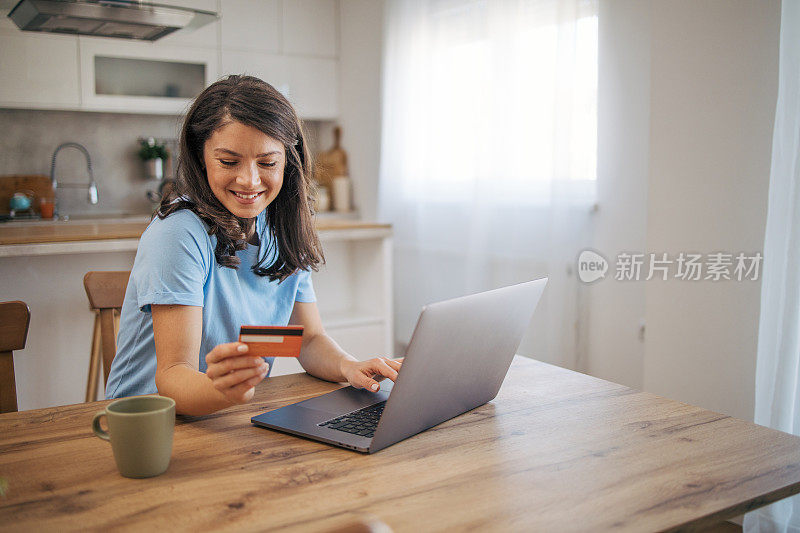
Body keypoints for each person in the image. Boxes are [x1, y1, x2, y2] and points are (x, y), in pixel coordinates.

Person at [105, 75, 400, 415]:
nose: (249, 180)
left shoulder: (281, 228)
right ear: (201, 157)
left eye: (267, 163)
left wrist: (350, 367)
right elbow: (172, 376)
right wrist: (225, 392)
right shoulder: (179, 233)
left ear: (288, 162)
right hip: (149, 423)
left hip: (229, 415)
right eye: (228, 161)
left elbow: (309, 340)